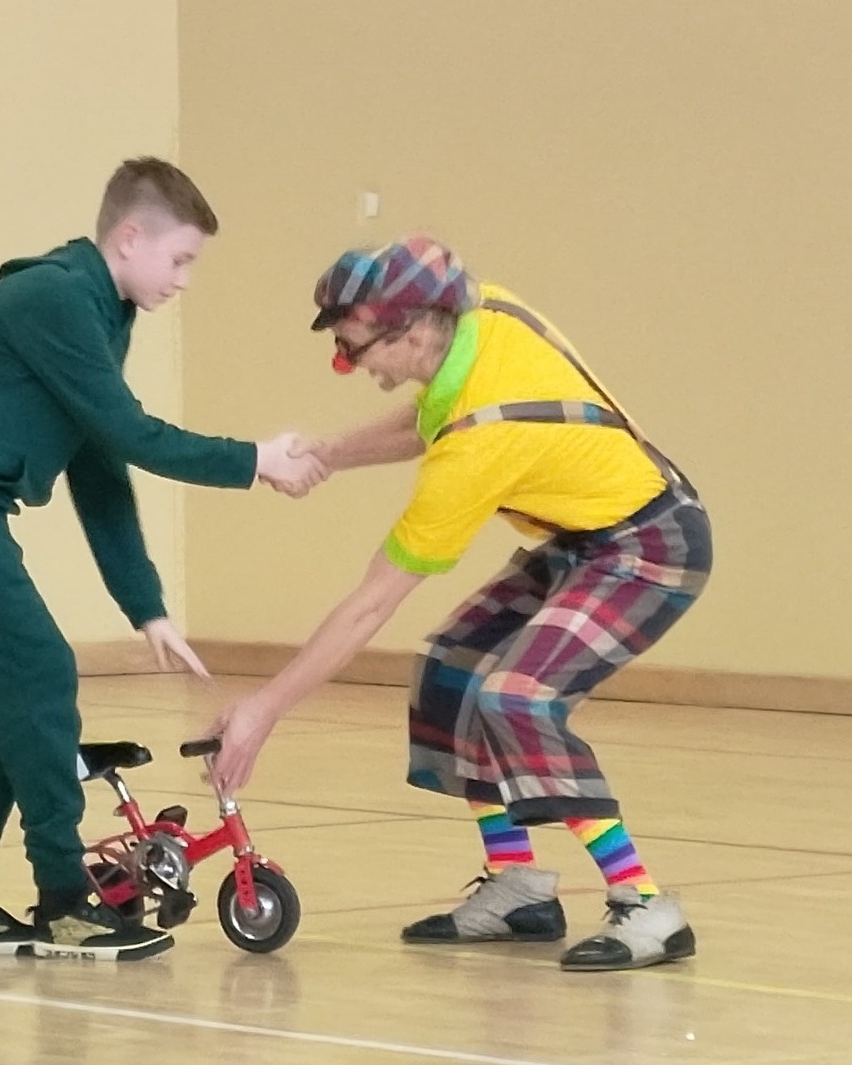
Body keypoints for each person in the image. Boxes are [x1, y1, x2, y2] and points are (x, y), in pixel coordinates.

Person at [0, 157, 326, 961]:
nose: (183, 280)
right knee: (39, 672)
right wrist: (254, 459)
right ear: (130, 237)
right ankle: (65, 902)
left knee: (0, 704)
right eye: (179, 259)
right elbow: (134, 434)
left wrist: (144, 603)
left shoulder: (103, 310)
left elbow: (99, 460)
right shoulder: (58, 298)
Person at [203, 235, 712, 972]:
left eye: (353, 347)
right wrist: (326, 454)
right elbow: (430, 416)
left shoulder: (479, 445)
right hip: (583, 536)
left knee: (517, 697)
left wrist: (263, 708)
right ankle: (519, 885)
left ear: (412, 331)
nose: (348, 363)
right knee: (450, 667)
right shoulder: (484, 319)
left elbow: (370, 604)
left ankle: (645, 903)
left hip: (652, 545)